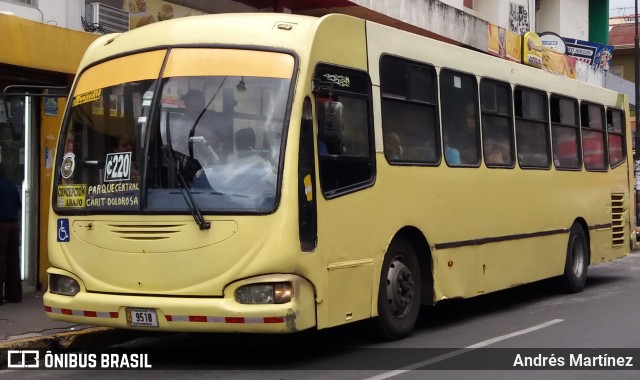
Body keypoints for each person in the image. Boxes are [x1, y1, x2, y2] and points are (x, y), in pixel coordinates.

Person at [0, 167, 22, 304]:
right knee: (13, 261)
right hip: (14, 225)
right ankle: (14, 295)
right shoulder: (11, 185)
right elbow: (18, 205)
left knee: (0, 260)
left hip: (1, 225)